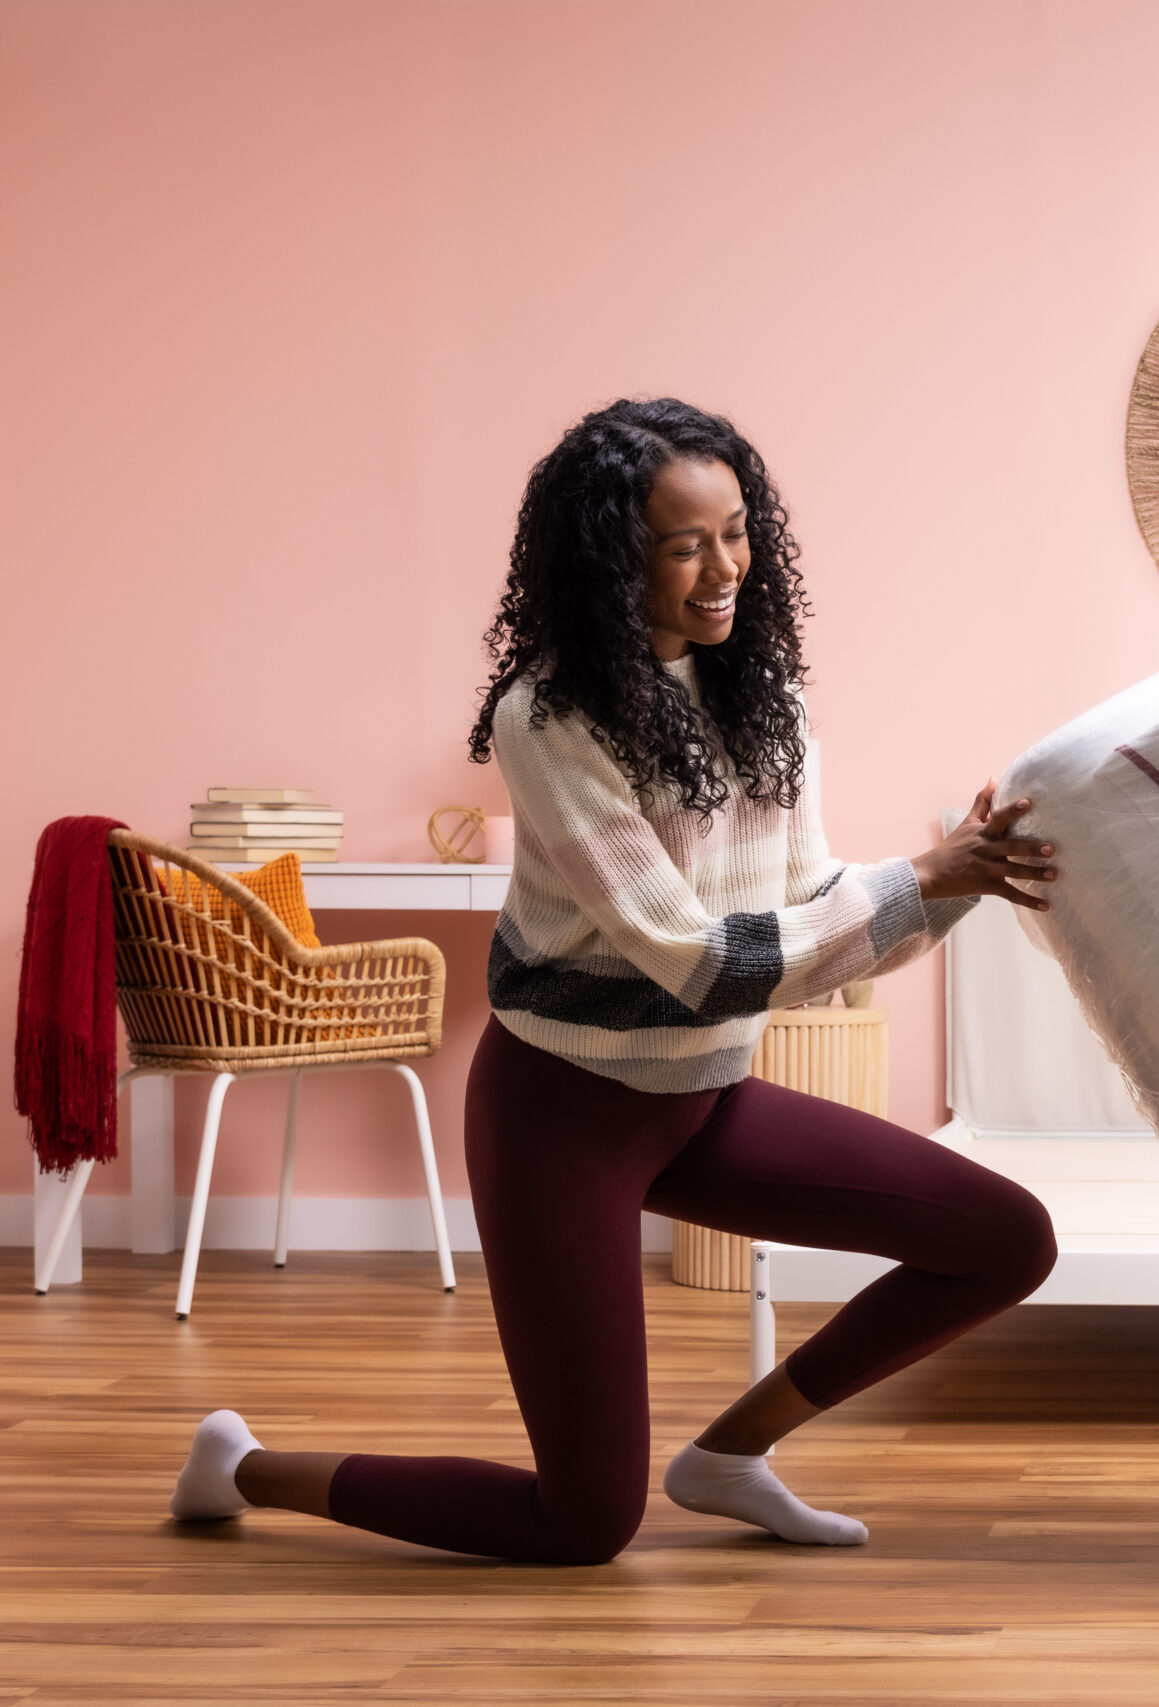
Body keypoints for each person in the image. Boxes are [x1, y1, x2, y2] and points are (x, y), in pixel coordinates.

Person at [168, 398, 1060, 1563]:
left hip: (702, 1101)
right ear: (606, 559)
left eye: (736, 532)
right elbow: (695, 960)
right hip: (562, 1117)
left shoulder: (768, 702)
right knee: (583, 1520)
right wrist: (912, 877)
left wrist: (961, 883)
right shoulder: (550, 720)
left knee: (1004, 1241)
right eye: (679, 545)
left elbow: (813, 918)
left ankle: (731, 1454)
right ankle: (238, 1468)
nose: (720, 568)